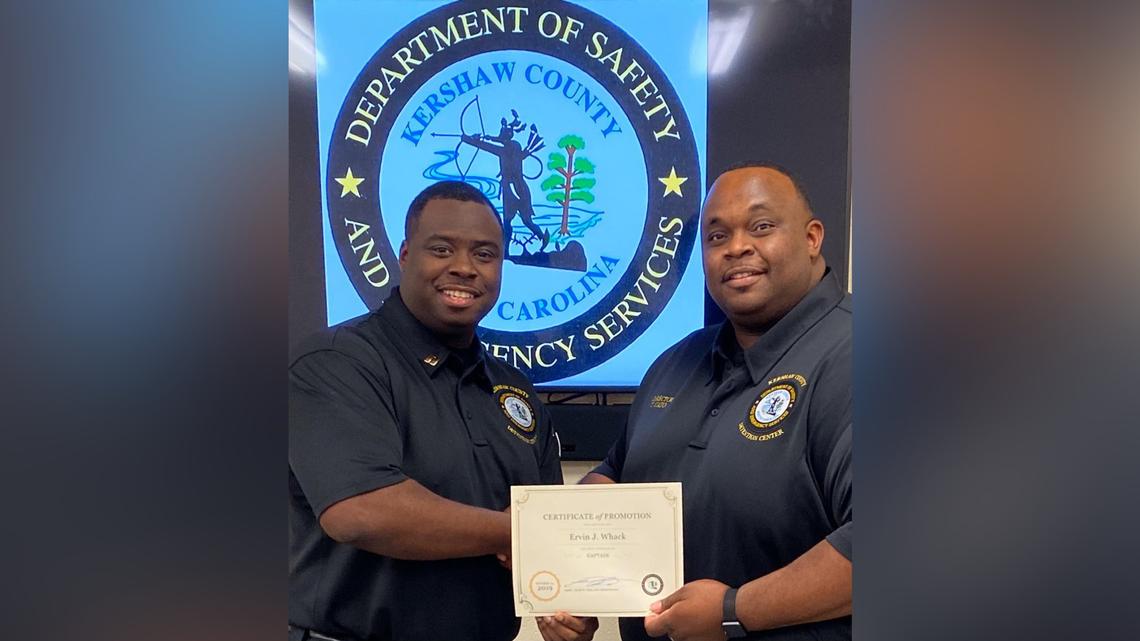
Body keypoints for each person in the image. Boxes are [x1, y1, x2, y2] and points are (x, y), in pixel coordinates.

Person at [560, 163, 852, 641]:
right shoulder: (675, 363)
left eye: (761, 226)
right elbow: (616, 475)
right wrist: (575, 574)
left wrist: (734, 611)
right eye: (717, 236)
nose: (736, 247)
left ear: (812, 238)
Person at [288, 181, 565, 641]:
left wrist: (568, 605)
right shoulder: (337, 362)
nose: (464, 268)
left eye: (484, 254)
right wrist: (517, 532)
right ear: (404, 255)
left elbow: (549, 526)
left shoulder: (516, 391)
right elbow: (360, 512)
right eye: (442, 249)